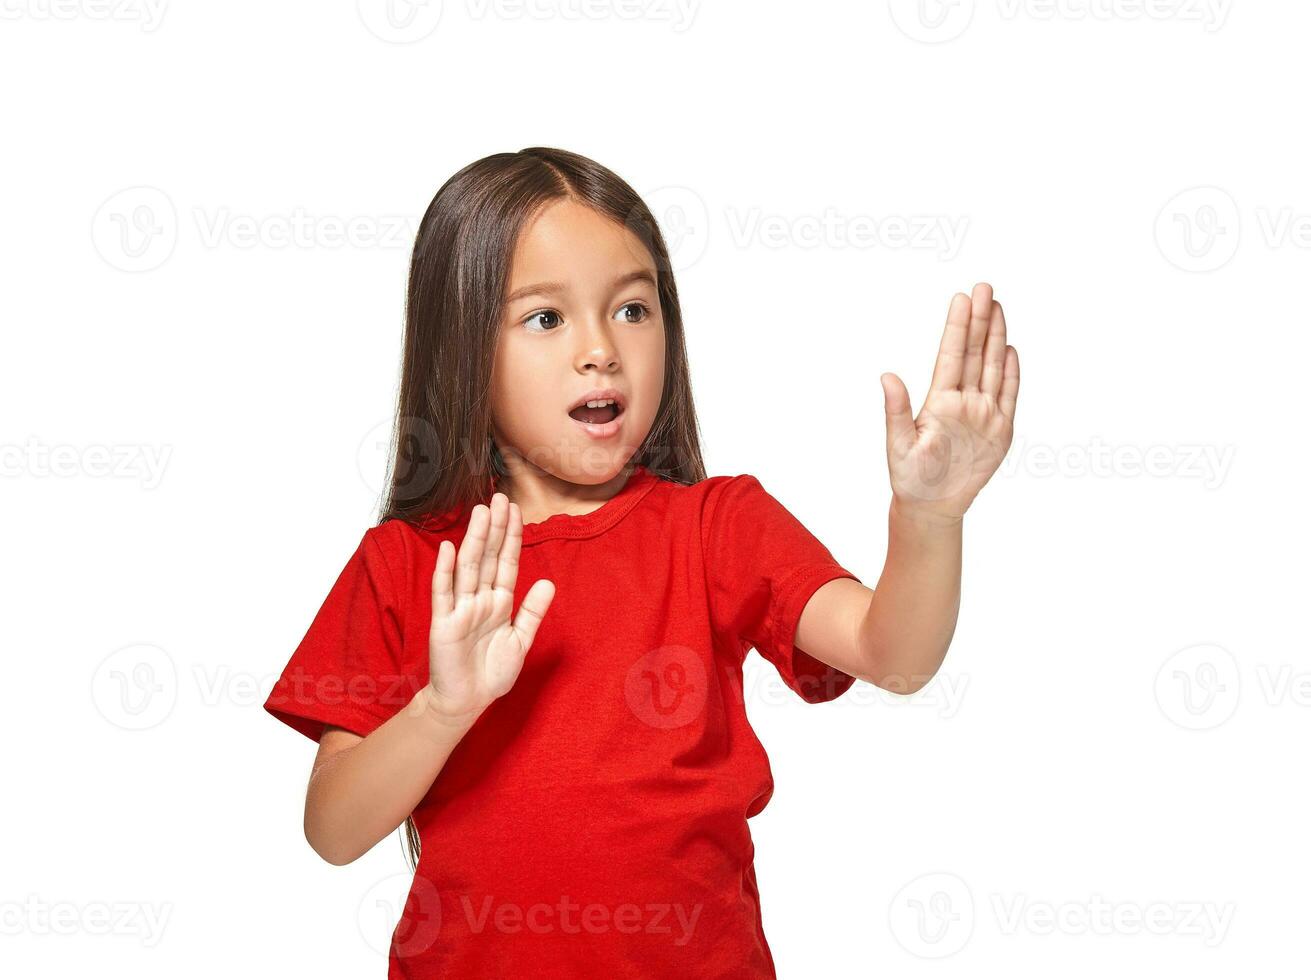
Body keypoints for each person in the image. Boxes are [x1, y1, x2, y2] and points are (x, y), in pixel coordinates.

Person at [262, 146, 1020, 978]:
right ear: (464, 345)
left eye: (632, 308)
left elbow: (897, 657)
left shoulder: (717, 527)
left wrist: (930, 517)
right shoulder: (407, 561)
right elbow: (332, 832)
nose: (601, 351)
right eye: (546, 319)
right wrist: (443, 710)